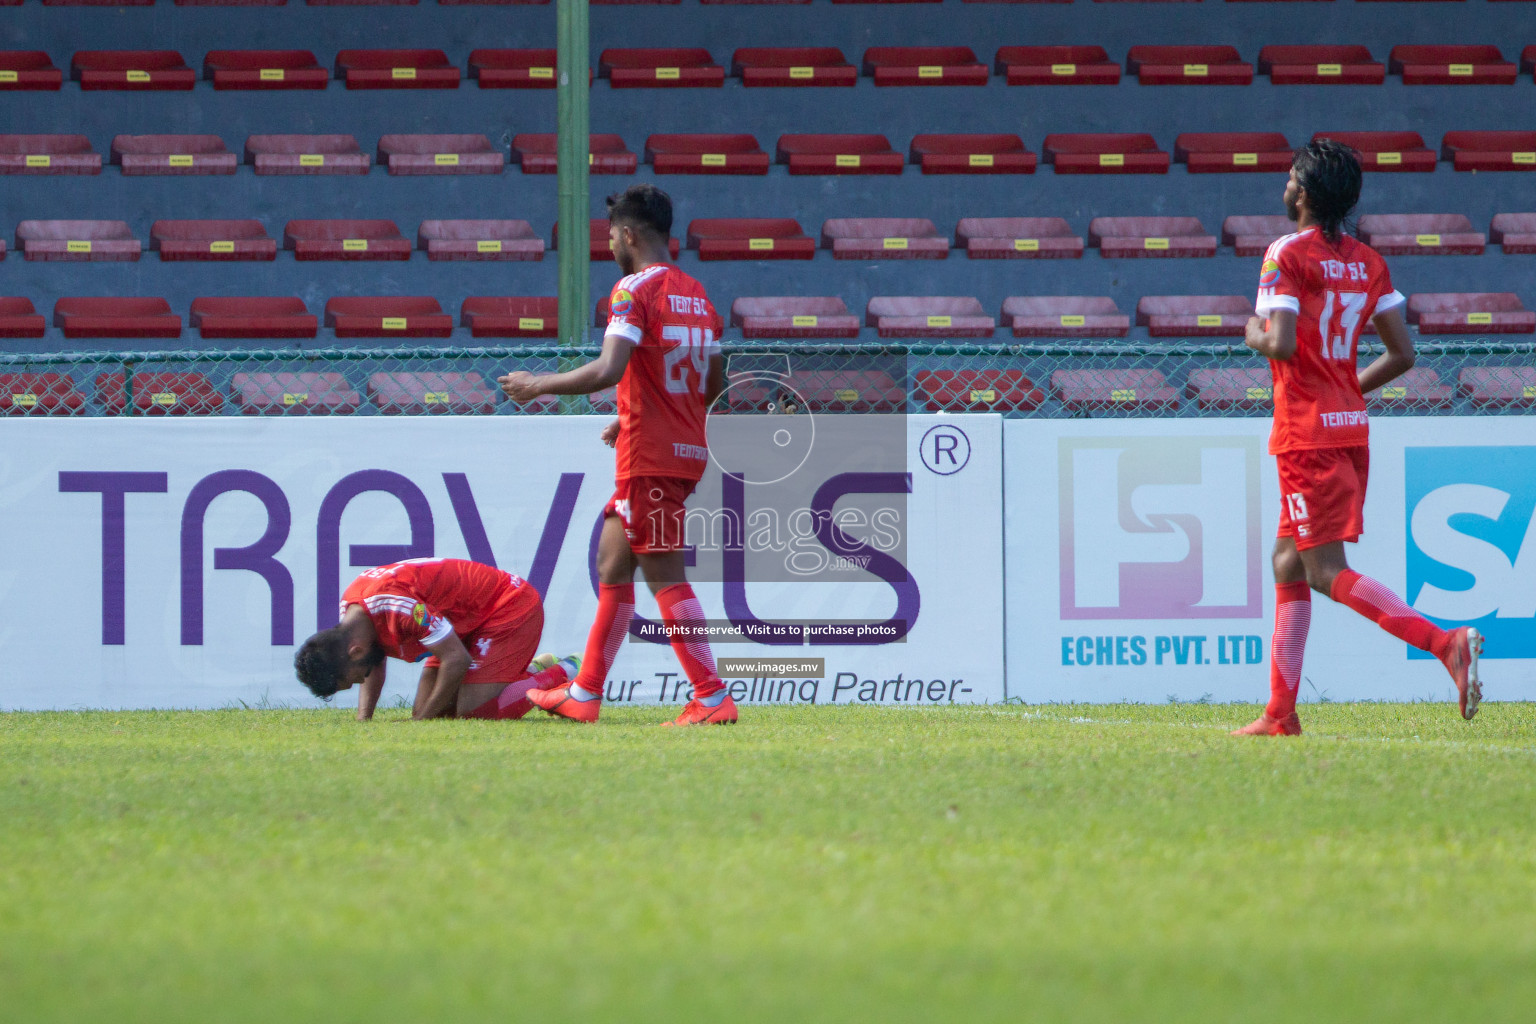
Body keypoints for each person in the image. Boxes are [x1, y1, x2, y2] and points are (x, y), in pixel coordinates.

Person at [1233, 139, 1482, 737]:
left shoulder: (1285, 253)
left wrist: (1251, 335)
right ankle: (1280, 714)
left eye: (1293, 175)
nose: (1286, 182)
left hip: (1305, 434)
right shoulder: (1369, 262)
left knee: (1323, 570)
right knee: (1288, 561)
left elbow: (1283, 342)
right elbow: (1402, 354)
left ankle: (1444, 643)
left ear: (1306, 193)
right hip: (1346, 427)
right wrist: (1347, 392)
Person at [497, 183, 735, 726]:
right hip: (678, 447)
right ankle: (585, 694)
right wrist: (634, 415)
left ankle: (712, 695)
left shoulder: (631, 290)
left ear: (628, 233)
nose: (607, 245)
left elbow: (608, 369)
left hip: (650, 456)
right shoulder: (699, 295)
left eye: (608, 235)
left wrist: (538, 384)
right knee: (612, 560)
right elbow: (711, 385)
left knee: (664, 573)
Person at [294, 557, 577, 721]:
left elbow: (456, 659)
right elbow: (373, 660)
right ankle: (531, 671)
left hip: (508, 604)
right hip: (463, 623)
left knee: (473, 711)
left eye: (354, 678)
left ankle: (565, 670)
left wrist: (419, 722)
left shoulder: (397, 605)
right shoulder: (353, 620)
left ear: (355, 652)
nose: (361, 681)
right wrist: (364, 720)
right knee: (437, 710)